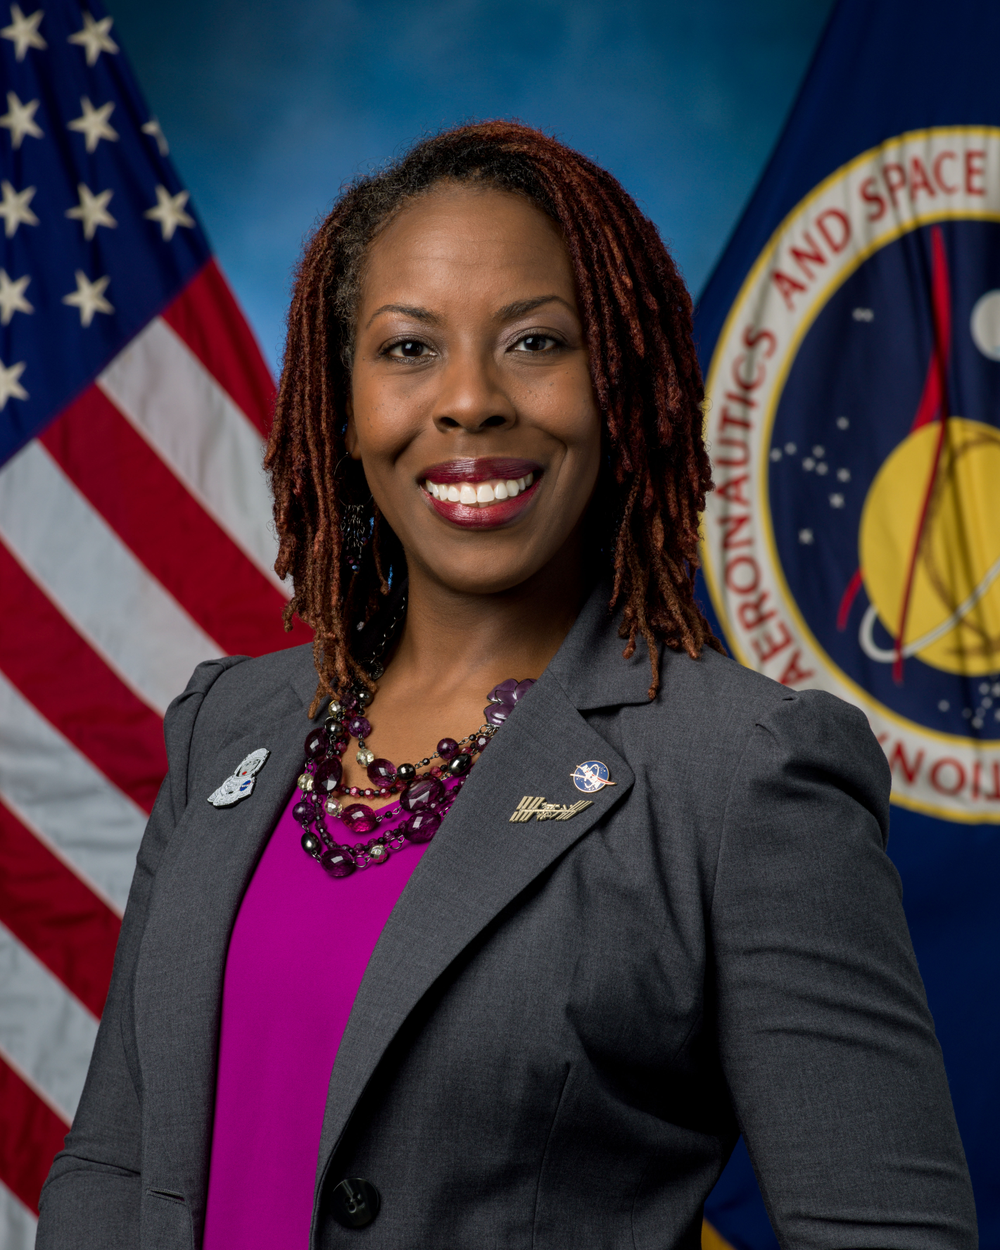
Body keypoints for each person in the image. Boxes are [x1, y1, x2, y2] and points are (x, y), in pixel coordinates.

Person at [37, 121, 976, 1250]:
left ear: (621, 380)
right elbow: (116, 1159)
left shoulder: (743, 774)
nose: (470, 400)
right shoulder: (224, 726)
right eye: (406, 348)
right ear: (339, 404)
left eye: (535, 342)